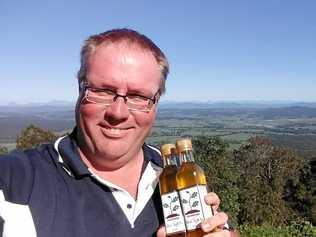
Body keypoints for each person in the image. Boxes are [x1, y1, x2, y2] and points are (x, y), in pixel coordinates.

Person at [0, 28, 239, 237]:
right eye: (102, 90)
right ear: (80, 89)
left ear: (155, 105)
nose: (118, 112)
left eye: (138, 96)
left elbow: (226, 230)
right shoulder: (17, 182)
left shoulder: (174, 174)